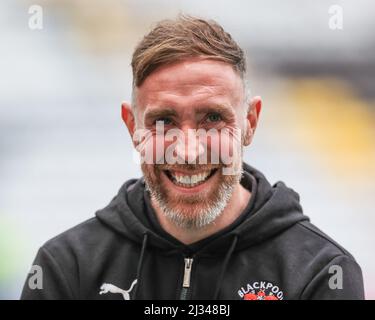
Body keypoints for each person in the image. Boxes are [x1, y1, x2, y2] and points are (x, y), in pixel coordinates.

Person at [21, 15, 364, 300]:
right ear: (132, 126)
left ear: (250, 122)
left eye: (213, 118)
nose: (188, 151)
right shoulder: (67, 267)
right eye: (163, 121)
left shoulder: (321, 271)